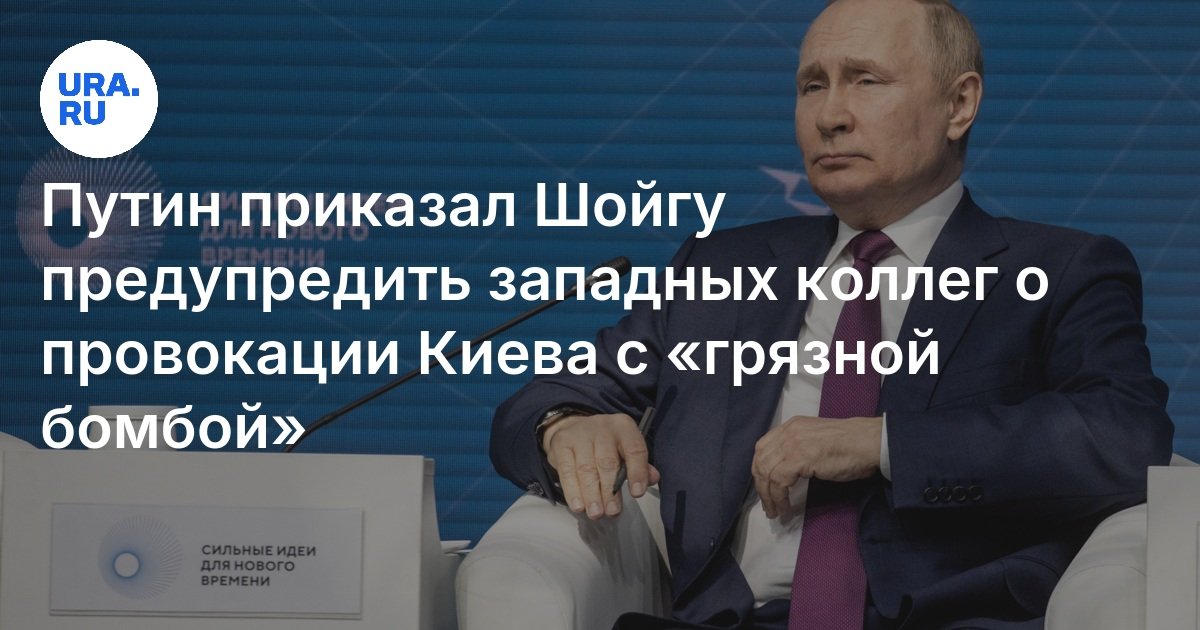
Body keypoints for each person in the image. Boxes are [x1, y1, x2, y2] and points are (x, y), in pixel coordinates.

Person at [490, 0, 1173, 628]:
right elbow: (544, 400)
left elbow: (1125, 436)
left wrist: (880, 444)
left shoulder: (1061, 268)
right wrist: (563, 426)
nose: (830, 115)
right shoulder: (721, 268)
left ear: (959, 104)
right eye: (812, 85)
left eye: (866, 80)